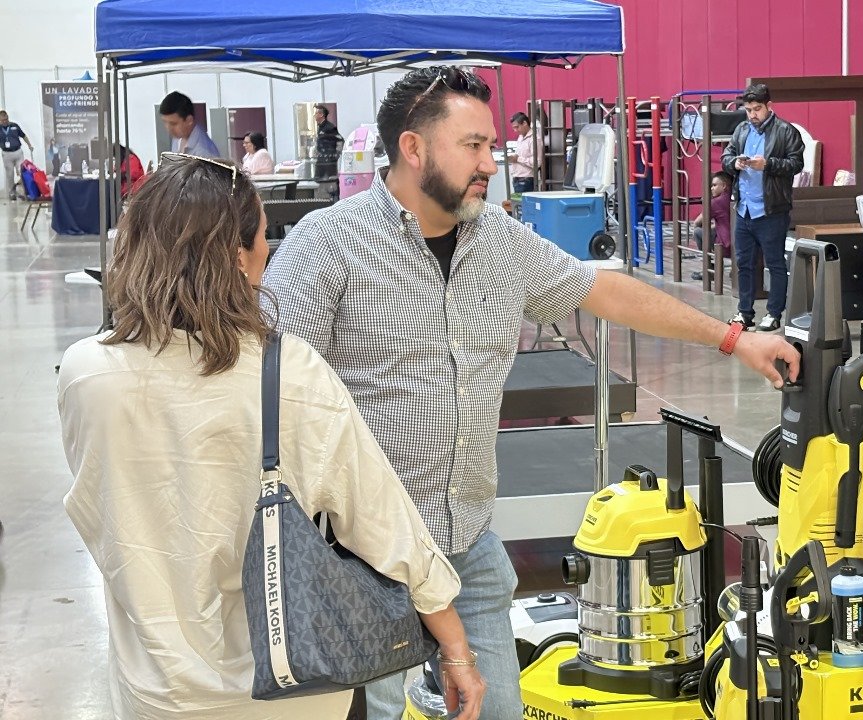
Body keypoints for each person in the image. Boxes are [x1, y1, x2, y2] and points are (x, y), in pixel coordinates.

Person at [263, 66, 800, 720]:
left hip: (467, 547)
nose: (491, 163)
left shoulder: (499, 242)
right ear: (413, 148)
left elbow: (602, 292)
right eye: (473, 146)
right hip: (361, 559)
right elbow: (274, 393)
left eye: (491, 146)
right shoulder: (326, 247)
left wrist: (733, 338)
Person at [58, 153, 485, 720]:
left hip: (159, 689)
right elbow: (380, 517)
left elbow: (110, 511)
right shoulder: (288, 371)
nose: (269, 250)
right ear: (238, 257)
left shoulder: (86, 374)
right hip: (294, 678)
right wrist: (454, 647)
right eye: (263, 236)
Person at [720, 83, 803, 332]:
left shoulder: (786, 131)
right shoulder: (742, 130)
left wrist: (768, 164)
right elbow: (726, 157)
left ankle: (774, 313)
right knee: (743, 263)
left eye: (757, 109)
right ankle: (745, 313)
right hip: (744, 209)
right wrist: (734, 163)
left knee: (775, 263)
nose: (753, 114)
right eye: (748, 110)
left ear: (769, 106)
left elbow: (796, 164)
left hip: (771, 210)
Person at [690, 171, 733, 282]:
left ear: (724, 186)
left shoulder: (716, 202)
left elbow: (697, 222)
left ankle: (709, 268)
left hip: (725, 245)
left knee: (698, 232)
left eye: (714, 185)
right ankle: (733, 268)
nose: (711, 188)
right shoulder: (734, 197)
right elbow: (725, 222)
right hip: (739, 241)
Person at [159, 91, 221, 158]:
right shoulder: (178, 136)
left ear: (189, 120)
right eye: (165, 122)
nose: (169, 128)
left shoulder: (204, 153)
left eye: (173, 124)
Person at [0, 110, 35, 200]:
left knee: (22, 172)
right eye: (3, 120)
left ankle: (25, 191)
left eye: (6, 119)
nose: (5, 121)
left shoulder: (14, 126)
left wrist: (29, 145)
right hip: (6, 154)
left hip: (18, 152)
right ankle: (12, 192)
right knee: (10, 174)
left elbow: (23, 136)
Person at [506, 112, 535, 194]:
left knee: (523, 202)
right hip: (517, 178)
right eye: (514, 128)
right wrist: (513, 157)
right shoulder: (521, 137)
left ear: (525, 123)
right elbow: (519, 154)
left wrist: (518, 159)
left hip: (526, 179)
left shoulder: (534, 138)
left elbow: (537, 162)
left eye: (517, 127)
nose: (515, 130)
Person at [314, 105, 343, 179]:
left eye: (316, 113)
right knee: (317, 180)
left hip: (329, 161)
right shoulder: (320, 127)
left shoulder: (330, 127)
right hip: (321, 160)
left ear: (321, 115)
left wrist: (336, 155)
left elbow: (340, 140)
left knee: (330, 181)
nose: (314, 115)